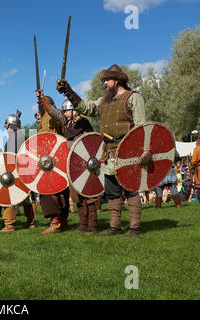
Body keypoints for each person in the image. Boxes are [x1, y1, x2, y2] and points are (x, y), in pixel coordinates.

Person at [57, 64, 146, 237]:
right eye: (103, 80)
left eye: (107, 79)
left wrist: (141, 151)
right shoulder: (103, 101)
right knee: (112, 192)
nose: (104, 83)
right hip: (108, 153)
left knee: (131, 190)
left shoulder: (133, 98)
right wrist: (68, 91)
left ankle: (135, 228)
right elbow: (85, 107)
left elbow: (141, 128)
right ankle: (115, 226)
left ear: (118, 80)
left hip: (128, 151)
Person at [37, 93, 99, 235]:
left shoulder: (84, 123)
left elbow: (92, 142)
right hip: (72, 164)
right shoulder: (67, 123)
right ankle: (83, 225)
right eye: (64, 111)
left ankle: (93, 226)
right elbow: (53, 111)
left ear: (74, 110)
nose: (65, 114)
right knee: (77, 197)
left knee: (88, 196)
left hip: (85, 163)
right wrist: (43, 99)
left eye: (67, 111)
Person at [32, 94, 70, 234]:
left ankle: (55, 222)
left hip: (53, 160)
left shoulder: (51, 116)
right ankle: (63, 221)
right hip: (55, 159)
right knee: (61, 190)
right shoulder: (46, 118)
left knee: (48, 190)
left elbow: (50, 136)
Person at [0, 111, 36, 232]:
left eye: (6, 125)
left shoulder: (14, 137)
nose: (5, 127)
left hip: (15, 171)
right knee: (25, 198)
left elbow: (11, 158)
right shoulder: (21, 135)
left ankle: (9, 225)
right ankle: (31, 222)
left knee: (9, 197)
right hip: (22, 171)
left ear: (9, 125)